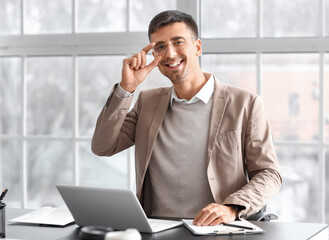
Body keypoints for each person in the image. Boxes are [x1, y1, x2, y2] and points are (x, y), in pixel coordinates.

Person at [92, 10, 281, 227]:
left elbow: (269, 173)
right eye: (160, 47)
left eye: (178, 42)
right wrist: (127, 89)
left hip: (217, 231)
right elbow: (102, 147)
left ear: (197, 47)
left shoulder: (245, 103)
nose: (170, 54)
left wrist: (232, 208)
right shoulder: (147, 102)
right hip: (156, 229)